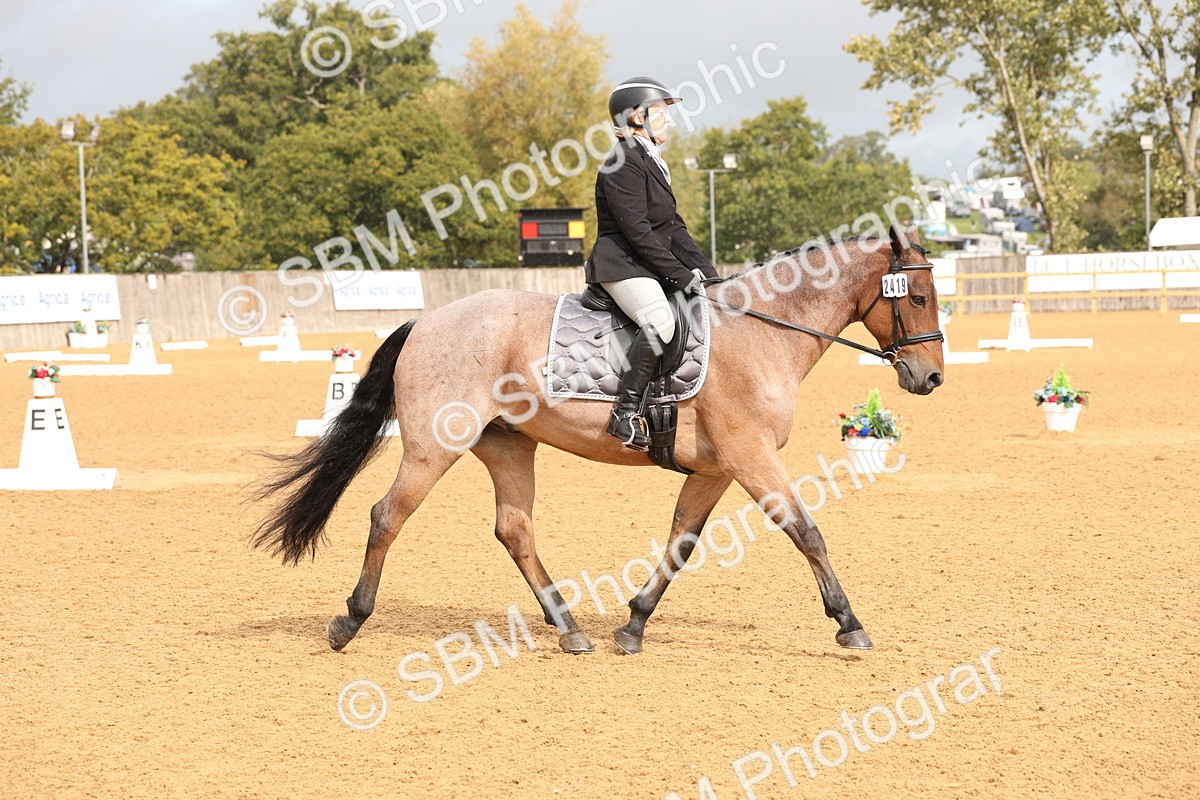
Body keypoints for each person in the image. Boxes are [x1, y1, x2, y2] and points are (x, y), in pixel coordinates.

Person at [584, 76, 719, 450]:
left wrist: (712, 278)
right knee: (660, 319)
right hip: (622, 265)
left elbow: (674, 229)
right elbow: (638, 231)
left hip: (643, 264)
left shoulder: (651, 161)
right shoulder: (622, 161)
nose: (670, 120)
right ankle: (624, 414)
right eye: (661, 112)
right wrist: (680, 277)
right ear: (636, 117)